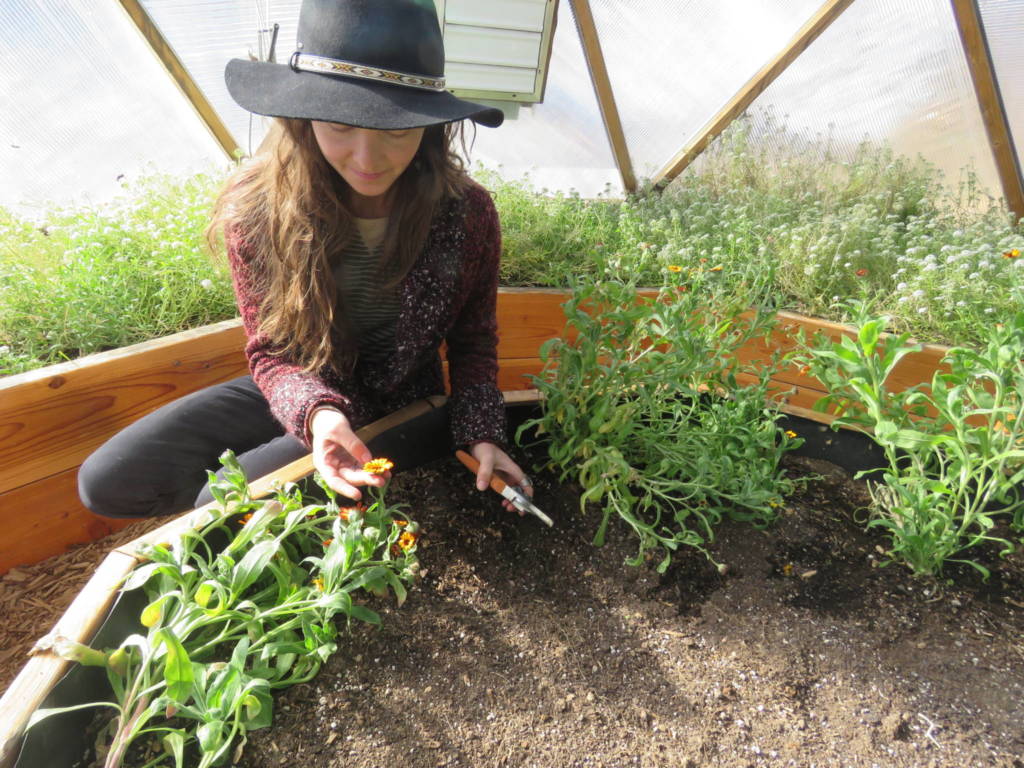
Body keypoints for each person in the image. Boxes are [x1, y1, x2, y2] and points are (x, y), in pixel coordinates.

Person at [78, 0, 532, 518]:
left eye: (396, 131)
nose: (367, 159)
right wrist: (316, 415)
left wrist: (480, 433)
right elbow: (272, 351)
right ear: (303, 115)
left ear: (429, 129)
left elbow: (474, 342)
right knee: (108, 481)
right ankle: (286, 506)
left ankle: (314, 506)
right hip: (306, 382)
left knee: (218, 509)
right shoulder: (258, 206)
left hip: (400, 401)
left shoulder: (466, 214)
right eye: (340, 126)